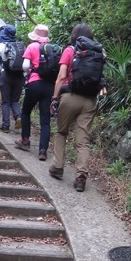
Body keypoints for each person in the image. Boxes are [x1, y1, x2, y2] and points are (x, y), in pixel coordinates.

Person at [48, 23, 104, 191]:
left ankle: (58, 166)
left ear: (74, 35)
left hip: (70, 96)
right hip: (90, 100)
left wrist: (54, 97)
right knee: (83, 140)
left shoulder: (70, 50)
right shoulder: (98, 52)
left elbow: (61, 76)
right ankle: (81, 176)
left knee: (61, 132)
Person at [14, 24, 54, 160]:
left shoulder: (32, 47)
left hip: (34, 83)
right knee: (45, 120)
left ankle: (25, 140)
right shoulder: (53, 49)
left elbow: (25, 65)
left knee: (25, 111)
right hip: (49, 86)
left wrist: (30, 71)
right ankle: (43, 150)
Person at [0, 24, 23, 133]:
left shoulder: (1, 45)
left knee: (6, 101)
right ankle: (18, 117)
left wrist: (1, 71)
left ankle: (6, 125)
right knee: (14, 100)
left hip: (6, 75)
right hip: (19, 76)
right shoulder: (20, 45)